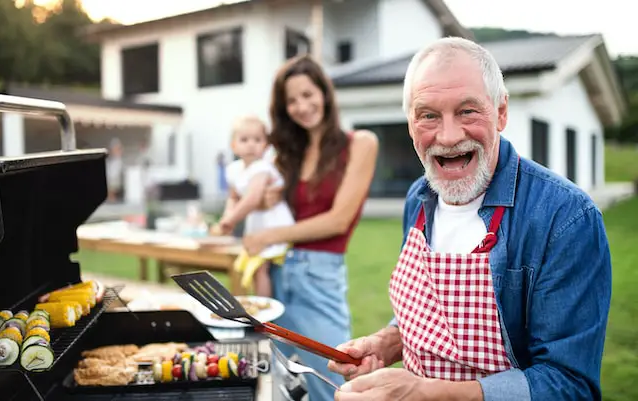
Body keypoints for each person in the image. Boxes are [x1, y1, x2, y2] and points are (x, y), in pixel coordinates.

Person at [327, 37, 612, 401]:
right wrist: (388, 342)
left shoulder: (566, 218)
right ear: (411, 124)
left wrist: (427, 393)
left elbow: (571, 386)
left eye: (467, 111)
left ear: (502, 112)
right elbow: (434, 312)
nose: (448, 136)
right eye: (428, 115)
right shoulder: (419, 197)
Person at [241, 54, 379, 401]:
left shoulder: (360, 143)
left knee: (333, 385)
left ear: (325, 93)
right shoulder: (285, 156)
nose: (302, 106)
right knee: (284, 386)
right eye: (291, 100)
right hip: (276, 274)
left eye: (308, 94)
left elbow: (339, 219)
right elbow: (256, 195)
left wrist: (269, 235)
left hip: (318, 278)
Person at [211, 115, 295, 297]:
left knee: (260, 266)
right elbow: (233, 196)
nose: (251, 144)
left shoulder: (261, 168)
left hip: (273, 223)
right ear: (234, 145)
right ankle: (257, 302)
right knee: (253, 265)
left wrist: (231, 220)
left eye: (257, 140)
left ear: (265, 146)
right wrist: (228, 216)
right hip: (257, 222)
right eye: (244, 140)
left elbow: (253, 198)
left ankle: (263, 307)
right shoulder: (233, 169)